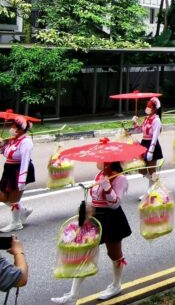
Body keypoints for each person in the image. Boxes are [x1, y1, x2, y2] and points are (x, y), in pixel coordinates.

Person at [52, 161, 131, 303]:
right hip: (95, 218)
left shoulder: (120, 178)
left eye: (100, 160)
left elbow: (115, 204)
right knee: (84, 252)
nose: (97, 162)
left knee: (114, 254)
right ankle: (73, 294)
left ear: (108, 162)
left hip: (111, 219)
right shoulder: (100, 174)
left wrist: (107, 188)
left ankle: (116, 285)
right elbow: (96, 198)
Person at [0, 117, 34, 232]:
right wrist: (1, 145)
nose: (11, 129)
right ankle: (23, 210)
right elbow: (7, 154)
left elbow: (25, 160)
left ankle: (16, 223)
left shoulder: (26, 142)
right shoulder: (13, 140)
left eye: (14, 127)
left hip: (18, 170)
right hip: (9, 170)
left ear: (21, 130)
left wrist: (21, 180)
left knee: (14, 199)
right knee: (2, 196)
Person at [133, 97, 162, 194]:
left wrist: (151, 151)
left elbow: (155, 136)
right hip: (144, 144)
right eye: (147, 106)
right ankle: (155, 185)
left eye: (149, 107)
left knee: (151, 171)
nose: (147, 108)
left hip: (151, 145)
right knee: (141, 170)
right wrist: (135, 123)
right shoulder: (146, 119)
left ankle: (151, 191)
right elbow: (139, 130)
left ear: (154, 109)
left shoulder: (156, 120)